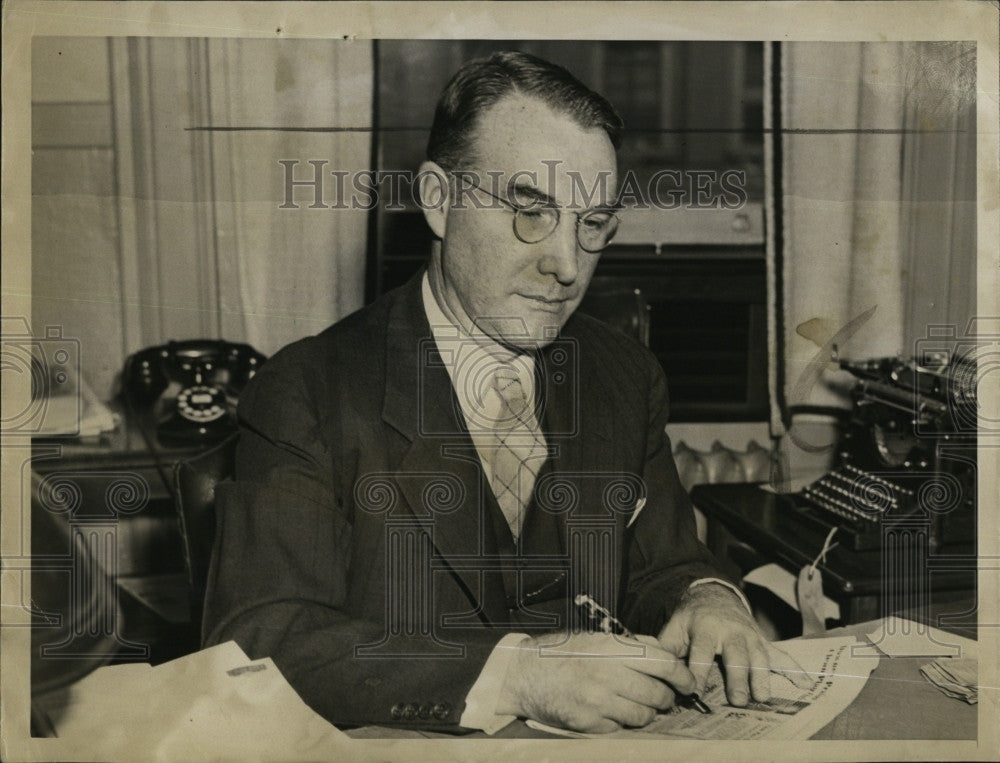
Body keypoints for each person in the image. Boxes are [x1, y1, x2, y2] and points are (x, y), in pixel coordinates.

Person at [202, 50, 806, 735]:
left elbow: (663, 565)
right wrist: (519, 672)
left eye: (592, 223)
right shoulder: (308, 391)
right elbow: (258, 641)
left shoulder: (623, 375)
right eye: (531, 212)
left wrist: (708, 598)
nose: (567, 265)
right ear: (438, 200)